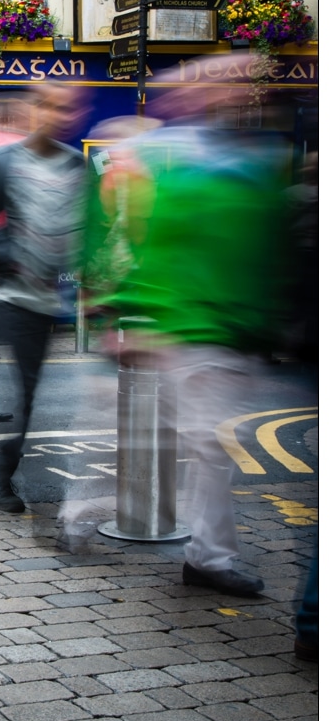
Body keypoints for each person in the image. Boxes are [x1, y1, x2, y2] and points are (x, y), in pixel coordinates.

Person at [82, 66, 290, 595]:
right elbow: (159, 245)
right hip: (193, 328)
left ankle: (94, 515)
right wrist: (128, 308)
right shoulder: (172, 158)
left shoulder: (256, 157)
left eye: (232, 82)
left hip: (233, 329)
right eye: (210, 82)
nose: (227, 90)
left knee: (197, 440)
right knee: (212, 443)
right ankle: (207, 557)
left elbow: (266, 248)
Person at [0, 83, 88, 512]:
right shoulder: (3, 162)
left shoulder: (77, 167)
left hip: (44, 297)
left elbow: (87, 230)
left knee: (27, 393)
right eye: (49, 106)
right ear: (33, 111)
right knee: (12, 380)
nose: (58, 116)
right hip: (7, 293)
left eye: (67, 109)